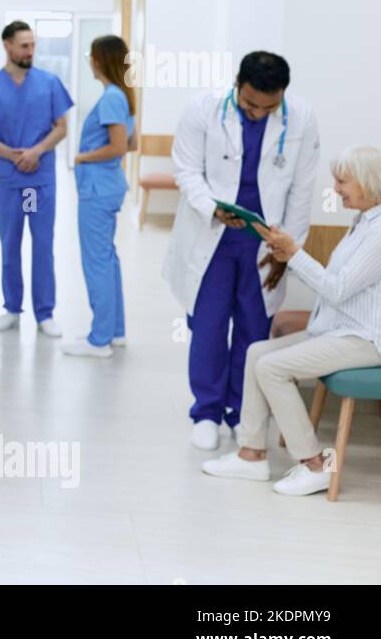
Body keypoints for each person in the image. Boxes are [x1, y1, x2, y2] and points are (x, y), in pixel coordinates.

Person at [202, 146, 381, 496]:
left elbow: (338, 289)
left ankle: (315, 464)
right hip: (336, 331)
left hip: (364, 339)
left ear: (368, 182)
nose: (336, 189)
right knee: (257, 353)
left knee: (271, 367)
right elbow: (338, 284)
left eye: (343, 181)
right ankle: (251, 455)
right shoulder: (363, 222)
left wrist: (295, 254)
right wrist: (287, 256)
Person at [163, 51, 319, 450]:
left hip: (265, 241)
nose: (257, 114)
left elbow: (302, 189)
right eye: (250, 104)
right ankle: (207, 412)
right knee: (209, 326)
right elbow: (185, 169)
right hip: (212, 234)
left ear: (282, 95)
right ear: (237, 84)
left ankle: (242, 412)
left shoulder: (301, 117)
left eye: (269, 108)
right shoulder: (203, 109)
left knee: (253, 331)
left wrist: (289, 249)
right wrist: (212, 206)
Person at [0, 20, 73, 337]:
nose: (30, 51)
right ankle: (12, 308)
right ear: (7, 46)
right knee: (9, 244)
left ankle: (45, 313)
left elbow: (61, 127)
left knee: (42, 244)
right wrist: (14, 155)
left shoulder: (49, 83)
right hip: (9, 181)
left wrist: (36, 152)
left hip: (37, 183)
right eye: (24, 45)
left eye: (33, 45)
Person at [62, 35, 136, 358]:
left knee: (97, 262)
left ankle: (100, 339)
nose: (89, 61)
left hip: (98, 189)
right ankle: (115, 331)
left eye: (91, 56)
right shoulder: (123, 97)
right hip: (109, 187)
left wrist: (82, 157)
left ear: (99, 60)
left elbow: (119, 147)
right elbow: (130, 145)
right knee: (107, 259)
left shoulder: (110, 98)